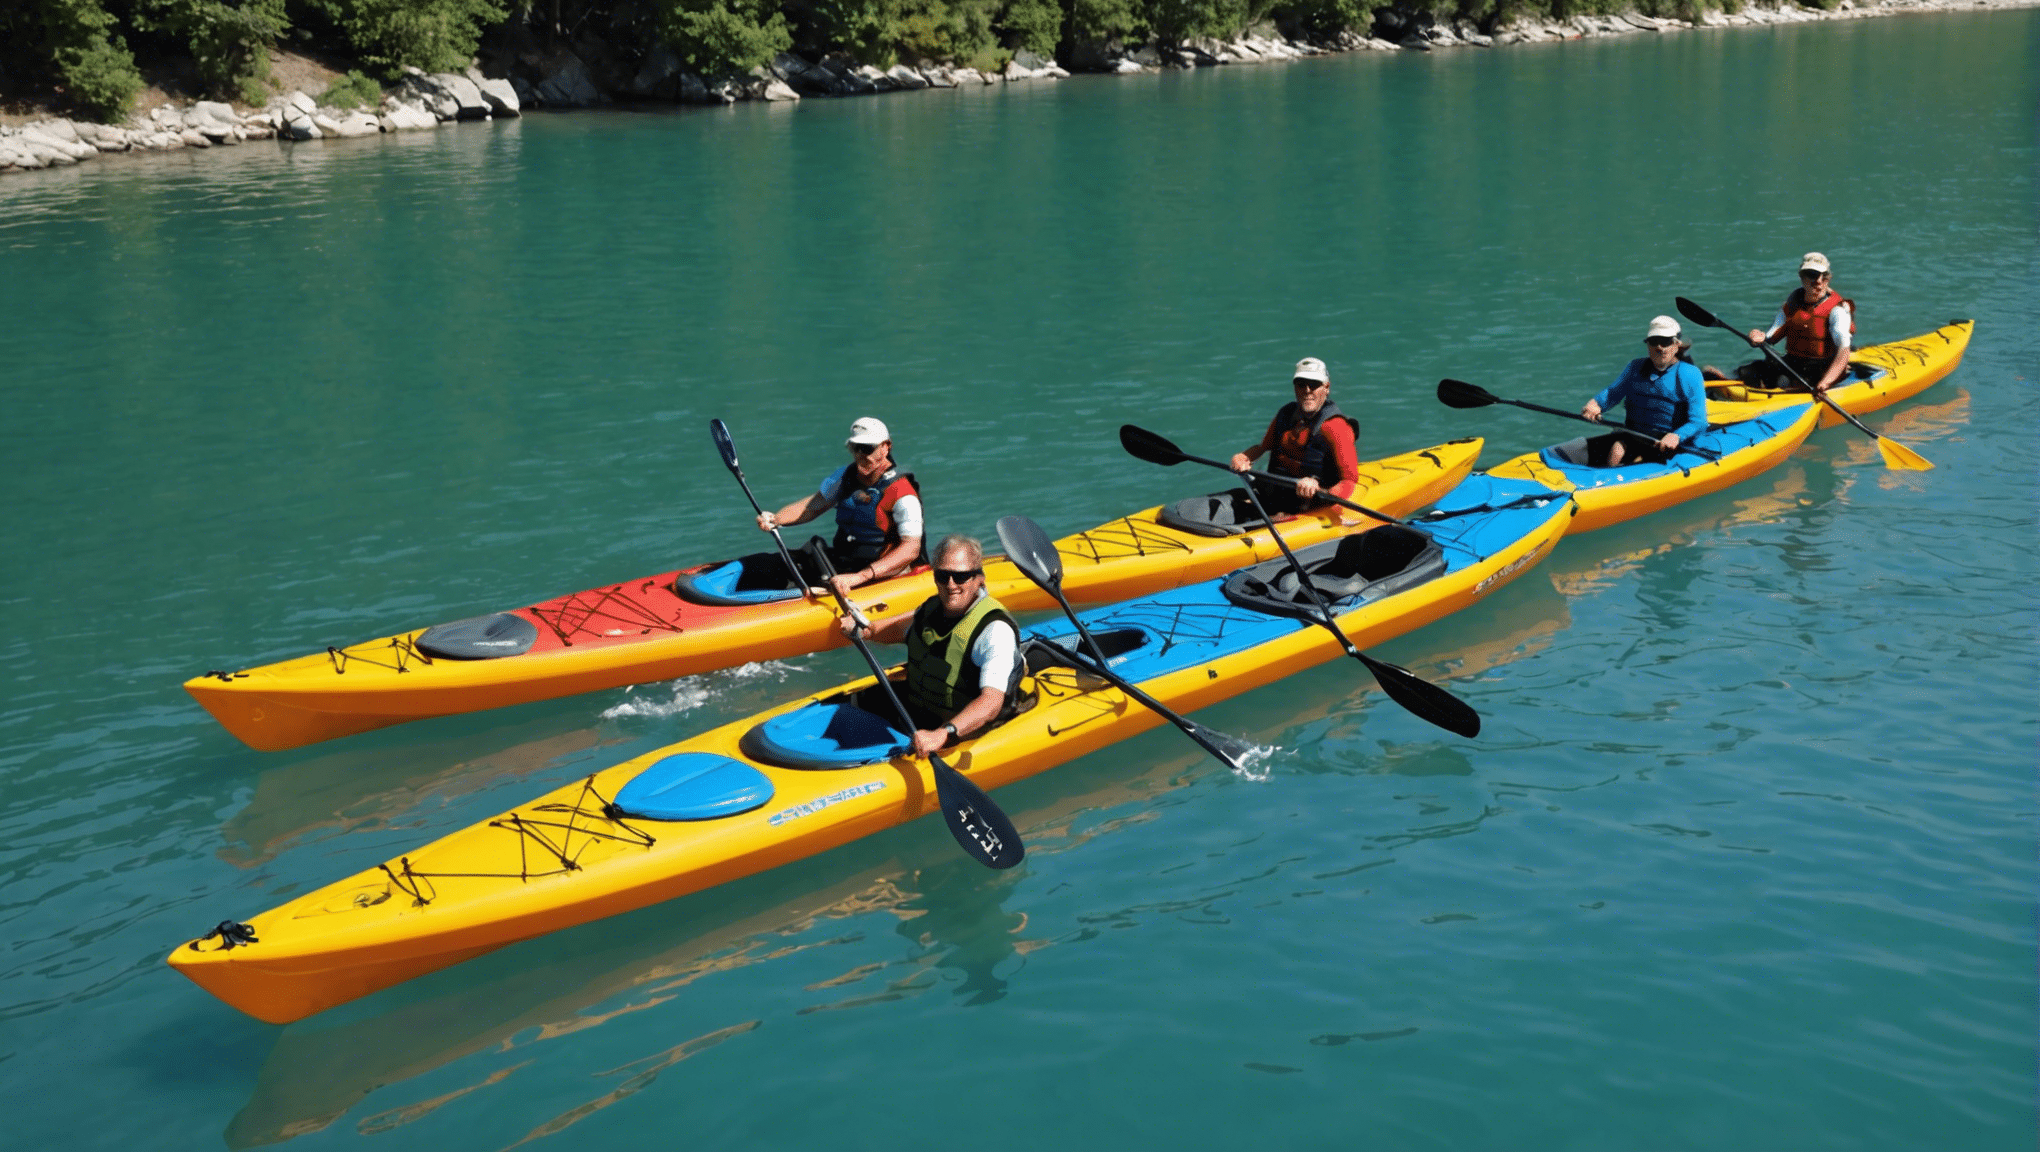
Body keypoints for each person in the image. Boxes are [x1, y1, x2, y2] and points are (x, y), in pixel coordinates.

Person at [840, 534, 1021, 756]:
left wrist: (944, 733)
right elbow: (897, 629)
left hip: (960, 728)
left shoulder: (994, 631)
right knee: (845, 707)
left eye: (961, 576)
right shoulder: (932, 609)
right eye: (943, 576)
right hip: (921, 710)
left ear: (979, 578)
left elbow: (990, 702)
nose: (951, 585)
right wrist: (862, 630)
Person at [755, 417, 924, 597]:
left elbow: (911, 548)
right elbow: (814, 505)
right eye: (855, 448)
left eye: (867, 448)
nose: (860, 455)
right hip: (844, 564)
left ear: (886, 446)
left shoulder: (903, 493)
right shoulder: (845, 476)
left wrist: (860, 576)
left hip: (880, 575)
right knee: (767, 564)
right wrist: (775, 519)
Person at [1706, 252, 1855, 394]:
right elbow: (1771, 335)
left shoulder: (1838, 311)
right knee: (1749, 370)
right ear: (1802, 277)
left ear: (1828, 279)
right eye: (1812, 275)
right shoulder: (1792, 305)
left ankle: (1766, 393)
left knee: (1784, 381)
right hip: (1793, 363)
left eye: (1825, 277)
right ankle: (1725, 385)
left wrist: (1826, 382)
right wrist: (1758, 336)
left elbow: (1844, 351)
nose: (1819, 282)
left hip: (1822, 369)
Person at [1228, 356, 1361, 515]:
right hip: (1276, 497)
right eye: (1301, 384)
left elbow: (1350, 480)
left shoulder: (1336, 427)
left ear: (1326, 388)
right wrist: (1243, 457)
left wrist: (1321, 491)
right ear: (1295, 387)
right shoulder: (1286, 414)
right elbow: (1262, 448)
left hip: (1310, 505)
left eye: (1314, 385)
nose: (1307, 390)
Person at [1580, 315, 1709, 468]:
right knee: (1617, 450)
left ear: (1677, 344)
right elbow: (1612, 393)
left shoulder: (1689, 374)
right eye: (1654, 342)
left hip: (1668, 443)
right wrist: (1595, 404)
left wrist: (1676, 436)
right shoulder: (1635, 367)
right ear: (1648, 345)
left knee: (1625, 453)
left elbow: (1699, 422)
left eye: (1665, 341)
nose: (1659, 347)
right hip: (1635, 436)